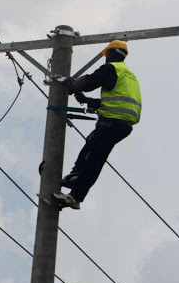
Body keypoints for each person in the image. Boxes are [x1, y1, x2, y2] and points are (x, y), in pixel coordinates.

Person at [53, 40, 142, 210]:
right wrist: (88, 101)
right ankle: (76, 189)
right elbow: (117, 100)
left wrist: (71, 84)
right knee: (95, 156)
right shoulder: (129, 75)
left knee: (92, 152)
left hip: (111, 122)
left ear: (110, 53)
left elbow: (89, 82)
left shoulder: (111, 68)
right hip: (124, 125)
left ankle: (76, 182)